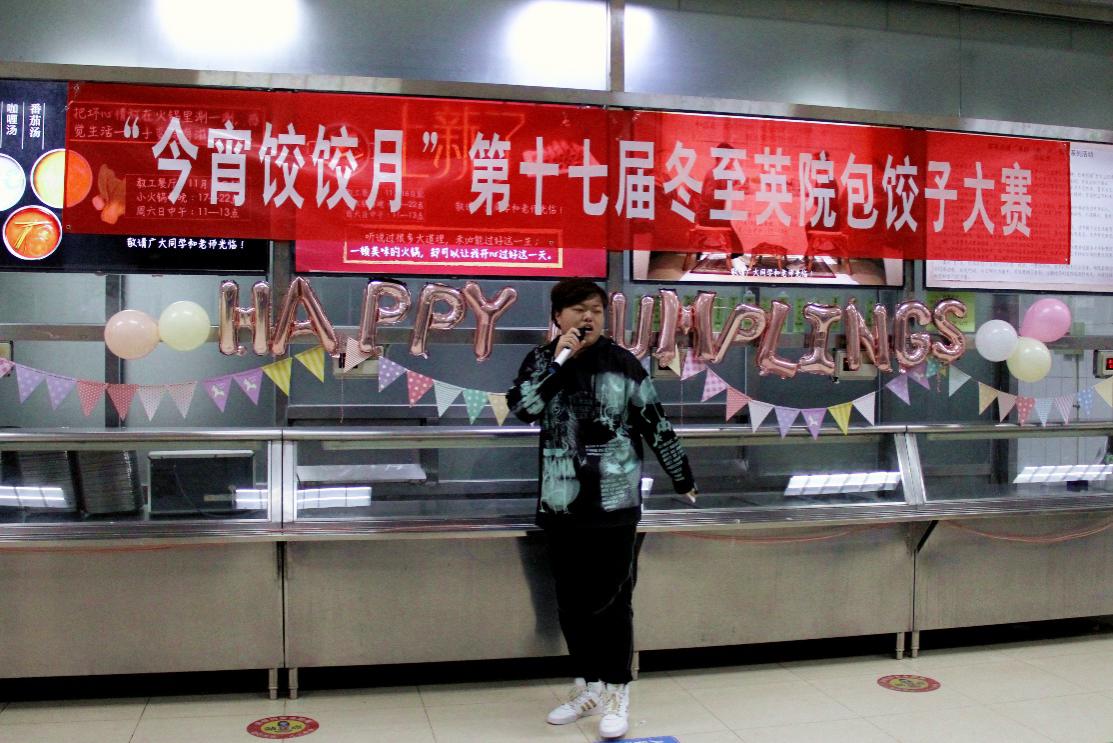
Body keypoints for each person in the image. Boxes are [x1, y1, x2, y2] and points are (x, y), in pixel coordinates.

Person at [507, 278, 697, 740]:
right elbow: (525, 409)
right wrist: (559, 362)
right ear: (558, 317)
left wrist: (682, 475)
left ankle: (616, 690)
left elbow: (654, 421)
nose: (588, 317)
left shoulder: (623, 362)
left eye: (595, 309)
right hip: (561, 500)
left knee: (612, 601)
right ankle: (588, 685)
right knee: (571, 602)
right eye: (577, 309)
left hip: (615, 501)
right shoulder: (540, 360)